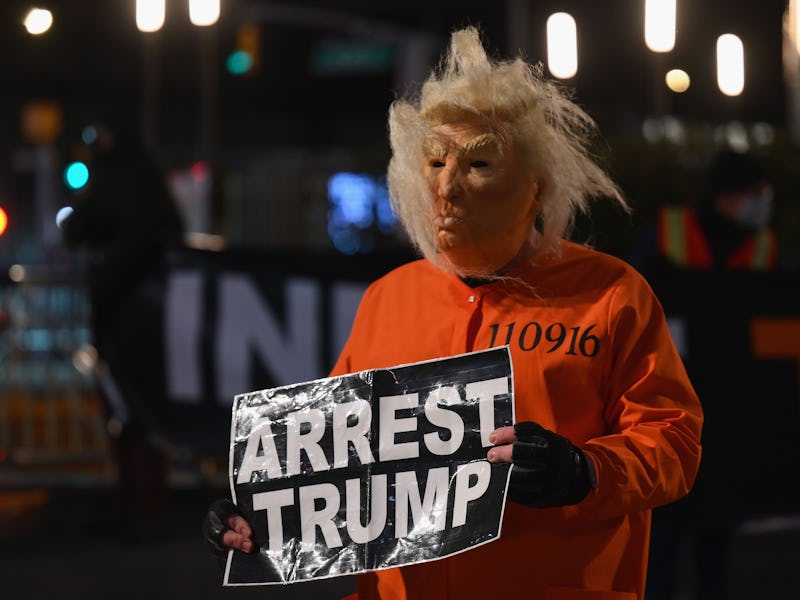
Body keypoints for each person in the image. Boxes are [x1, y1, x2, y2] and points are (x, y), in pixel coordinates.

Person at [203, 27, 703, 599]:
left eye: (479, 164)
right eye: (435, 161)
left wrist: (587, 470)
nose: (447, 187)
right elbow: (336, 460)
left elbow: (675, 441)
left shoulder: (611, 294)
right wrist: (258, 513)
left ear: (537, 187)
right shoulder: (389, 299)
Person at [62, 112, 185, 538]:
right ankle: (138, 501)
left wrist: (107, 287)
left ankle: (144, 503)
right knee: (129, 413)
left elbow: (130, 239)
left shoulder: (130, 182)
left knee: (136, 413)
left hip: (132, 320)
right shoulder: (129, 179)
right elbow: (80, 226)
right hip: (129, 319)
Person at [628, 149, 779, 274]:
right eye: (756, 194)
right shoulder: (666, 230)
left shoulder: (764, 242)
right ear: (727, 198)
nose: (763, 202)